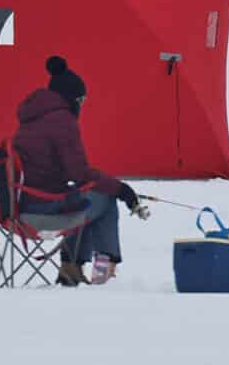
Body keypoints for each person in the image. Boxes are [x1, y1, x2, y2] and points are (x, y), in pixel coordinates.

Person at [9, 54, 143, 286]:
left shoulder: (32, 119)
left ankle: (71, 268)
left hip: (25, 207)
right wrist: (121, 189)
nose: (81, 105)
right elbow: (79, 174)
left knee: (86, 199)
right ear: (71, 98)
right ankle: (103, 274)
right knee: (104, 199)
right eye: (81, 100)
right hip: (46, 210)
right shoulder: (62, 122)